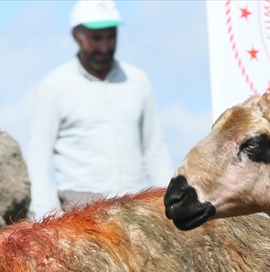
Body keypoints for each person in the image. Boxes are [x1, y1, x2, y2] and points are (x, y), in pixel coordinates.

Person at [28, 0, 173, 218]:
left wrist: (168, 204)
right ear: (77, 36)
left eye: (111, 36)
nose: (104, 47)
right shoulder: (55, 85)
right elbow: (38, 154)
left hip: (133, 207)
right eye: (96, 38)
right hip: (77, 212)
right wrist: (44, 214)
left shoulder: (137, 81)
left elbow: (155, 150)